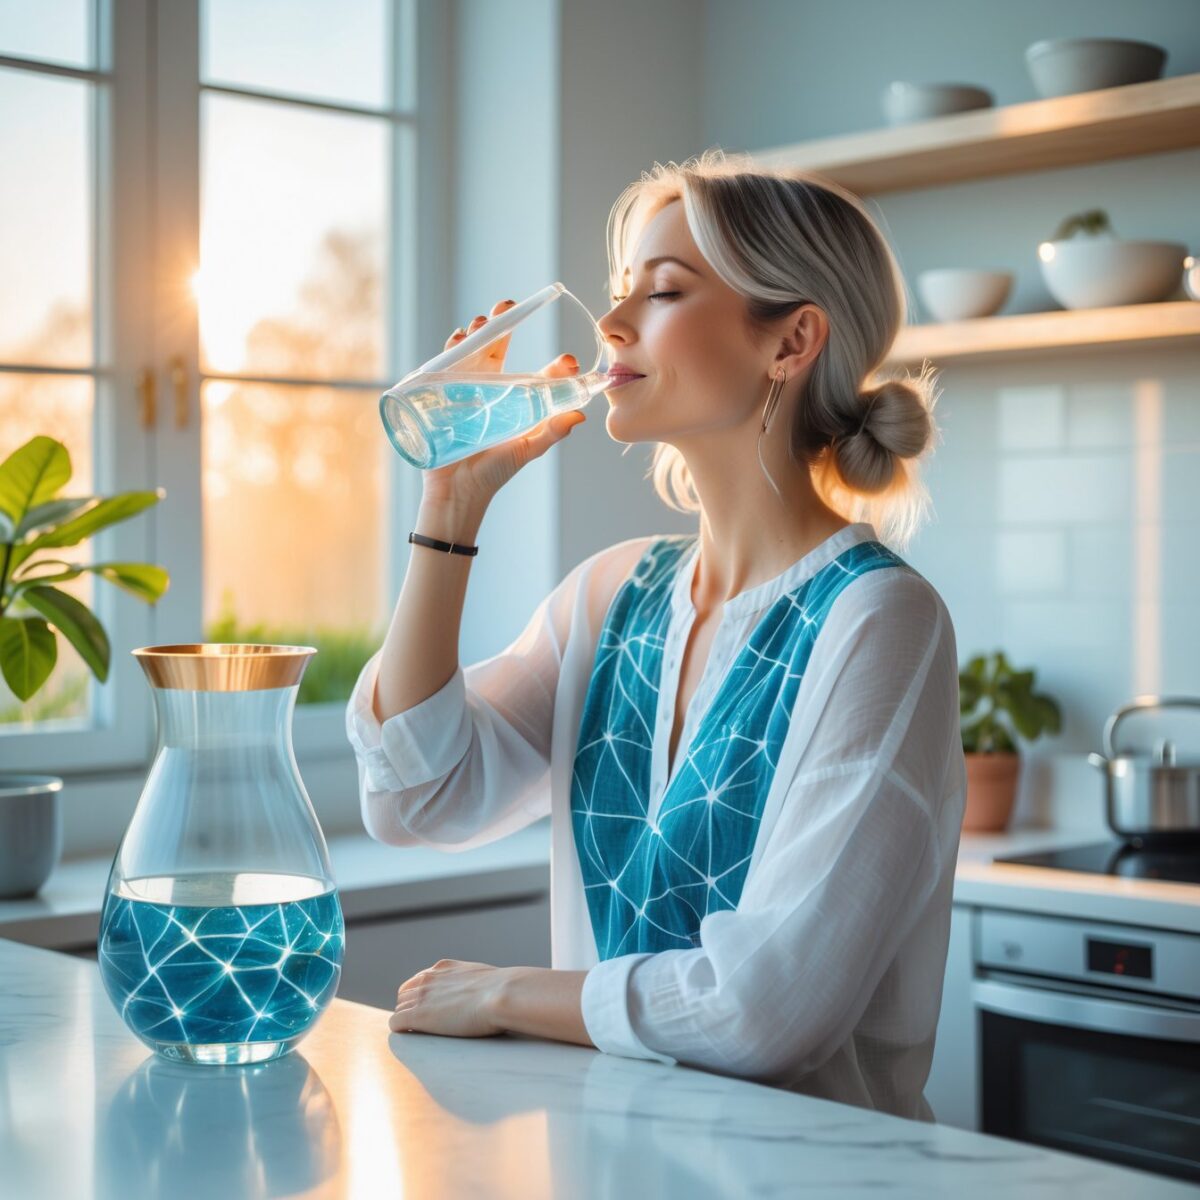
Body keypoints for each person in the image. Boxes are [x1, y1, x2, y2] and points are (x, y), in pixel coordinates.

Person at [346, 147, 965, 1121]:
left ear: (790, 340)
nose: (610, 323)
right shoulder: (610, 595)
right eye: (618, 288)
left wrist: (506, 991)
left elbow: (765, 1008)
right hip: (611, 1161)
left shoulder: (879, 618)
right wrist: (450, 508)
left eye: (664, 290)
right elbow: (418, 798)